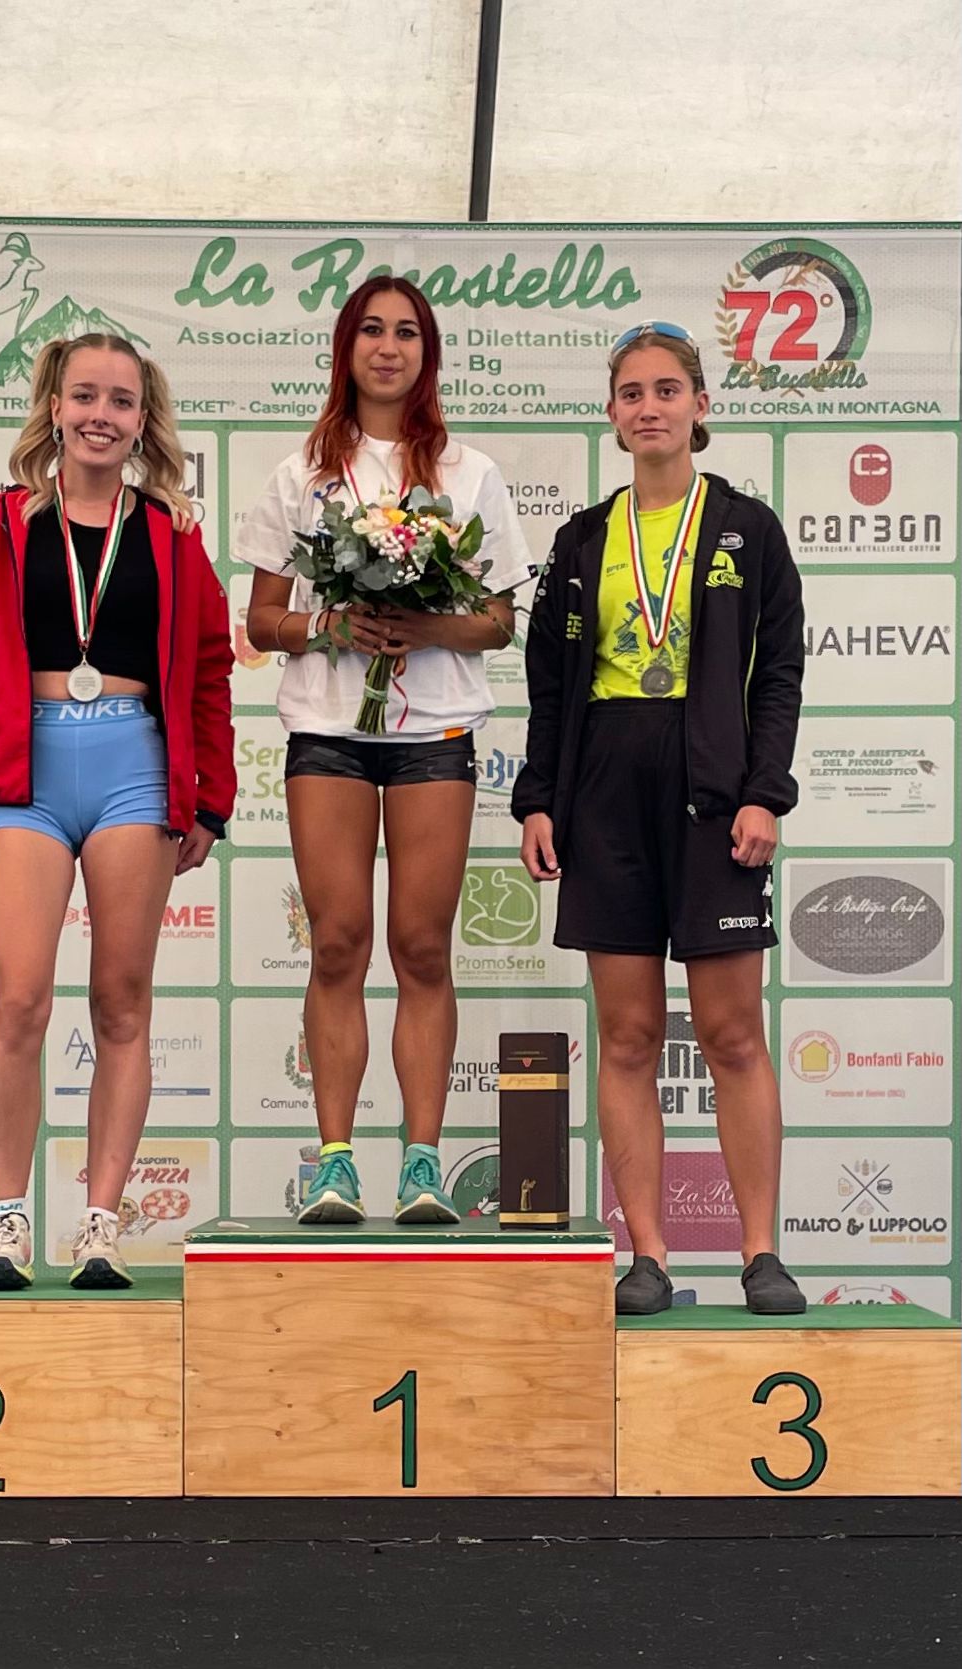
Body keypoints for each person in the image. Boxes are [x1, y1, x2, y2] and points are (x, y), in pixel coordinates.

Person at [0, 333, 235, 1291]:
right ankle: (6, 1222)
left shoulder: (172, 533)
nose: (102, 415)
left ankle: (102, 1222)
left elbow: (210, 672)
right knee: (17, 1000)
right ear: (54, 407)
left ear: (143, 421)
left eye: (121, 401)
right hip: (30, 771)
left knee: (122, 1002)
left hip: (133, 766)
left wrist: (212, 800)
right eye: (85, 395)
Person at [512, 321, 805, 1314]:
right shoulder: (581, 538)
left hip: (713, 789)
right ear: (611, 413)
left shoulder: (746, 527)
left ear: (699, 406)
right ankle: (647, 1254)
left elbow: (778, 674)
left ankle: (759, 1252)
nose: (649, 407)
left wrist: (764, 790)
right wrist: (538, 798)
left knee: (731, 1032)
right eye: (631, 392)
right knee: (628, 1034)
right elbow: (550, 685)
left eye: (667, 390)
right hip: (604, 788)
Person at [240, 276, 532, 1225]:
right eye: (371, 329)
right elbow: (261, 620)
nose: (388, 347)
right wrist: (329, 625)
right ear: (345, 348)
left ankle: (420, 1162)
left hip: (433, 733)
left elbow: (497, 621)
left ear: (427, 354)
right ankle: (333, 1163)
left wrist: (424, 624)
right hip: (328, 731)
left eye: (407, 332)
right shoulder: (300, 474)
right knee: (336, 943)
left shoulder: (468, 472)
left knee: (420, 947)